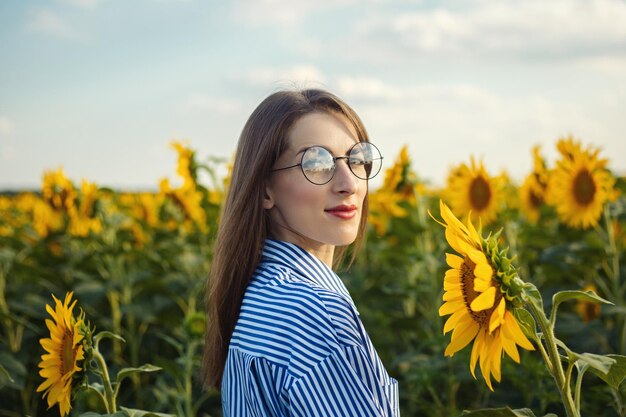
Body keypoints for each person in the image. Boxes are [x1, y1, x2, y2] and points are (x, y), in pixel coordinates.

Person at [203, 88, 399, 416]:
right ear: (265, 189)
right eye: (317, 163)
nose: (349, 183)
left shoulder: (260, 296)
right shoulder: (314, 312)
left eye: (357, 159)